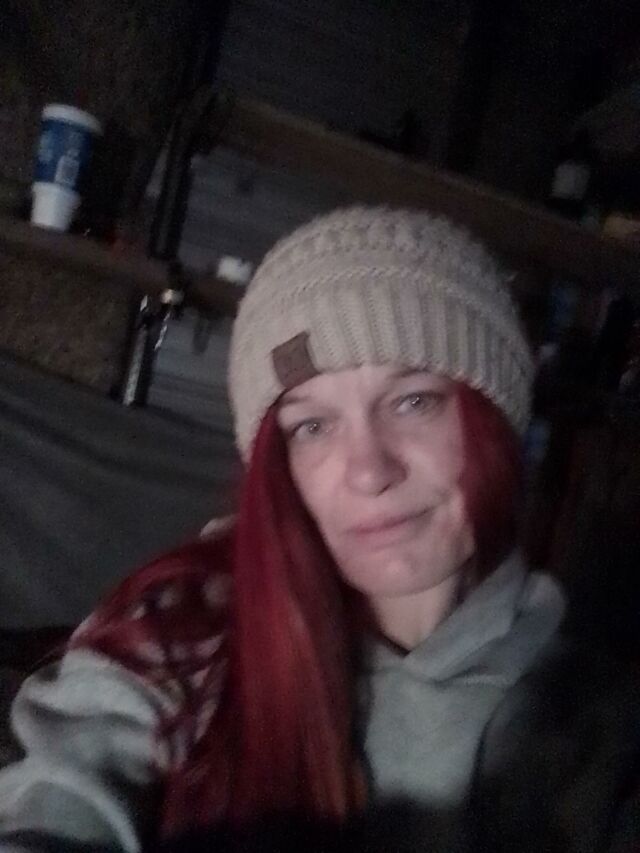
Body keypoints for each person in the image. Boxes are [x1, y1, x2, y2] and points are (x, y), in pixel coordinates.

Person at [0, 206, 637, 853]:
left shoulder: (591, 714)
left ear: (495, 419)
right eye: (312, 426)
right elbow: (64, 800)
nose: (368, 471)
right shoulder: (182, 626)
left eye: (413, 401)